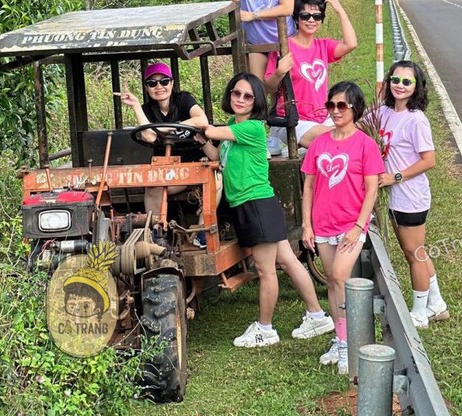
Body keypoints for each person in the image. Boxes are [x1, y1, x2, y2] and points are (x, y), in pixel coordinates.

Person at [193, 72, 334, 348]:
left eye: (248, 96)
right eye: (236, 93)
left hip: (254, 203)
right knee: (288, 261)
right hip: (258, 204)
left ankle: (265, 328)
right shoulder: (234, 125)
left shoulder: (253, 127)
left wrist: (196, 123)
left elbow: (209, 129)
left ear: (257, 101)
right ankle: (317, 315)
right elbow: (217, 153)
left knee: (265, 269)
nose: (241, 100)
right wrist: (203, 143)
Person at [301, 82, 384, 374]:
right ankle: (341, 339)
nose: (335, 111)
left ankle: (349, 343)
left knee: (339, 276)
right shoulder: (320, 143)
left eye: (342, 106)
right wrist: (306, 225)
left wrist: (359, 225)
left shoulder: (366, 145)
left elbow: (371, 190)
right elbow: (309, 185)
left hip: (351, 224)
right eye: (331, 106)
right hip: (322, 224)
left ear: (354, 109)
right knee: (333, 283)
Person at [115, 62, 219, 247]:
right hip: (168, 168)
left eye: (164, 81)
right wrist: (136, 106)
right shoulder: (147, 110)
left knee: (215, 178)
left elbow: (201, 120)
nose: (159, 87)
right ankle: (158, 235)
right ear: (147, 88)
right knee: (153, 187)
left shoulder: (183, 100)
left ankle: (201, 230)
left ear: (171, 83)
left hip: (195, 162)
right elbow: (149, 135)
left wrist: (167, 127)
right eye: (152, 83)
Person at [376, 60, 448, 329]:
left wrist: (395, 176)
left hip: (410, 195)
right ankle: (437, 303)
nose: (400, 86)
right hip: (393, 196)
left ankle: (419, 312)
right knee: (414, 251)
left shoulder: (416, 120)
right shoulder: (383, 112)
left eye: (407, 82)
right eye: (396, 80)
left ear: (416, 87)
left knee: (414, 253)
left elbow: (429, 160)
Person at [264, 0, 357, 154]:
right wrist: (279, 72)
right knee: (334, 138)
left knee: (358, 133)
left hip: (322, 117)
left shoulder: (322, 46)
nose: (311, 20)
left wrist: (340, 11)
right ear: (296, 18)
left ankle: (308, 153)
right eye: (305, 16)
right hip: (294, 120)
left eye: (317, 16)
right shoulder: (284, 48)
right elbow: (269, 87)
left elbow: (351, 44)